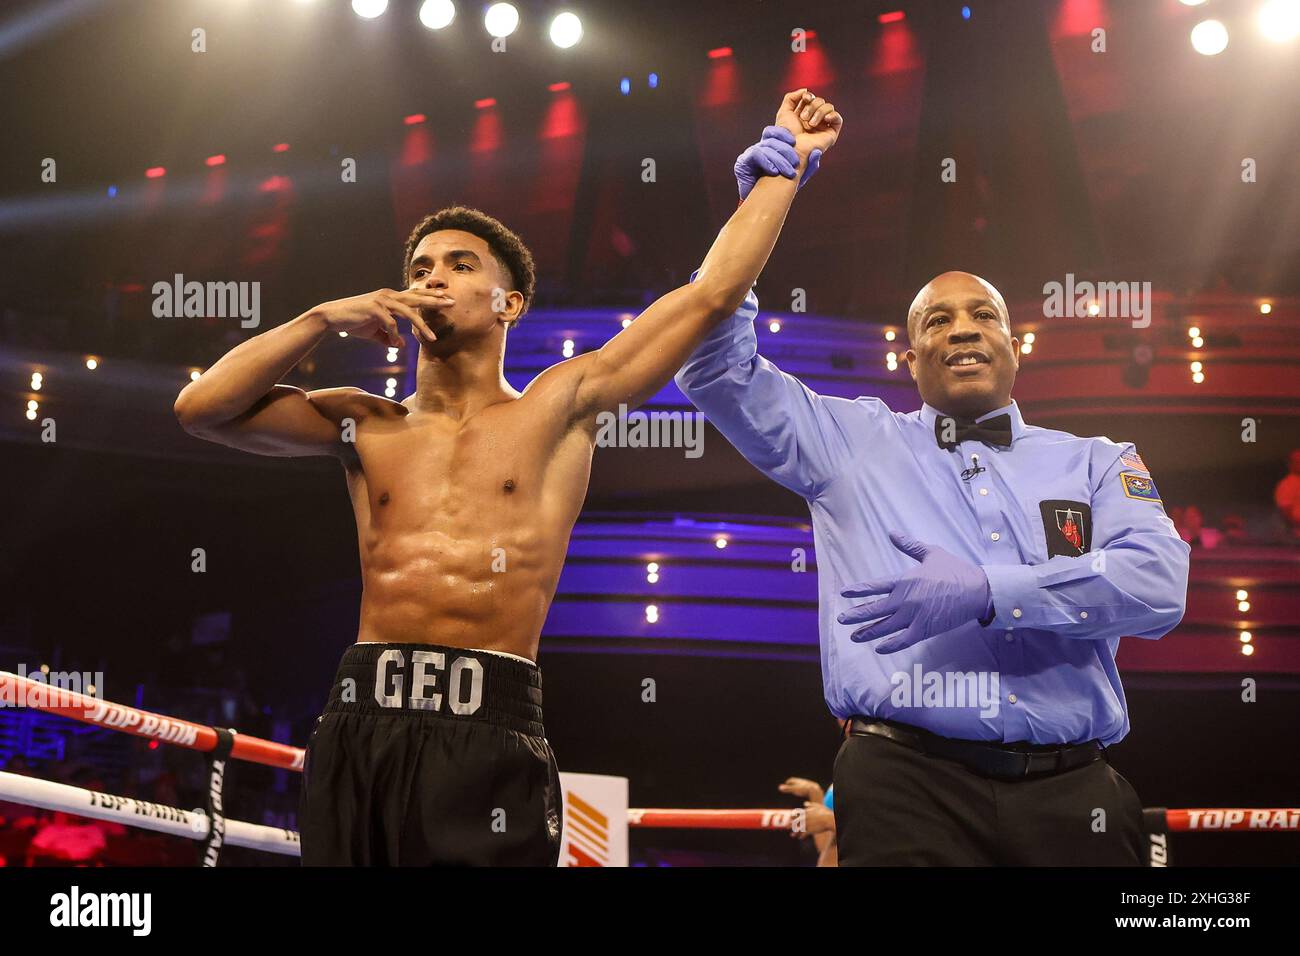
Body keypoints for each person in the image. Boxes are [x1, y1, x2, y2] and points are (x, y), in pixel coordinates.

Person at [173, 90, 842, 866]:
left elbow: (710, 295)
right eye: (420, 266)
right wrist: (321, 317)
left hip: (486, 724)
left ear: (510, 304)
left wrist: (784, 164)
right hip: (361, 716)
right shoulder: (362, 421)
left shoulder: (559, 407)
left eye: (461, 265)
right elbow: (201, 409)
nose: (433, 278)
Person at [675, 150, 1190, 863]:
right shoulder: (849, 441)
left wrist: (991, 591)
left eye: (984, 315)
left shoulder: (1100, 460)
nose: (963, 328)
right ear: (910, 358)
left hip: (1074, 792)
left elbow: (1158, 588)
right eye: (936, 320)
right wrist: (757, 209)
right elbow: (710, 367)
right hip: (903, 788)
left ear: (1015, 346)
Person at [1274, 449, 1300, 541]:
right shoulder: (1286, 485)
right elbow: (1285, 513)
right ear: (1290, 464)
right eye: (1297, 461)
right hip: (1296, 533)